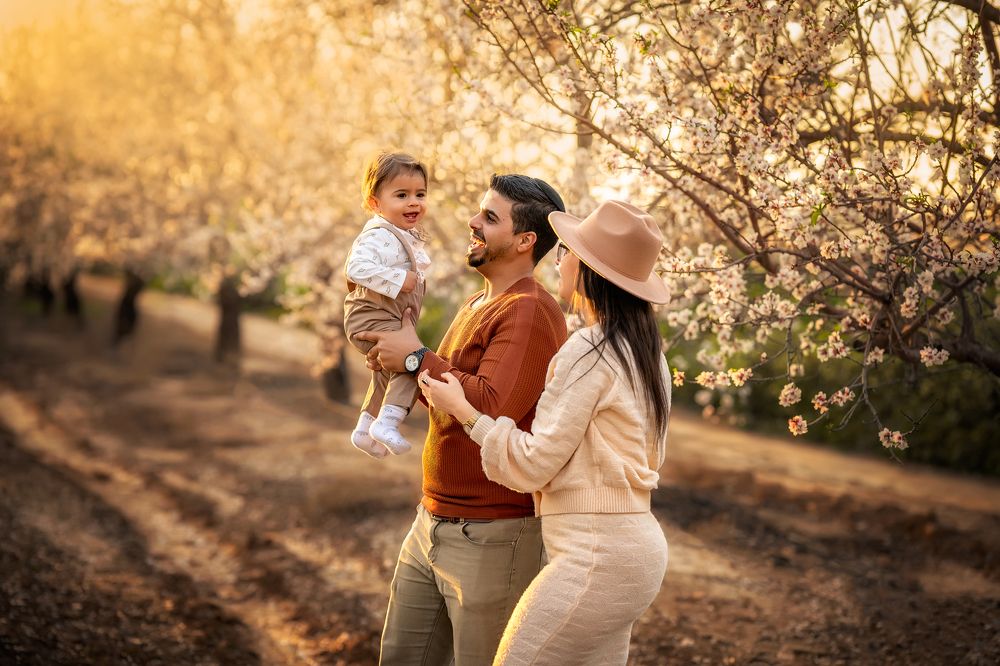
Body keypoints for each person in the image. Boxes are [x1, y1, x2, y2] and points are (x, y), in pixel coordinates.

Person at [419, 200, 672, 665]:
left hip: (595, 555)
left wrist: (465, 412)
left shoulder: (589, 350)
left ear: (591, 272)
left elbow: (534, 463)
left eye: (569, 252)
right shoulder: (648, 355)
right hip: (635, 549)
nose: (560, 258)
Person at [356, 174, 568, 665]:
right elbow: (449, 401)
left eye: (489, 217)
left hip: (492, 534)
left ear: (524, 240)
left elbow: (491, 408)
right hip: (431, 520)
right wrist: (402, 363)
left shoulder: (531, 310)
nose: (472, 222)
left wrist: (416, 359)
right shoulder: (477, 303)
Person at [343, 151, 431, 458]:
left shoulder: (401, 235)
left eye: (420, 194)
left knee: (384, 372)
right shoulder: (379, 235)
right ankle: (388, 424)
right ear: (374, 203)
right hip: (370, 316)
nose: (413, 202)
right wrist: (398, 279)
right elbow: (355, 268)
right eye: (402, 195)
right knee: (409, 363)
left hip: (384, 316)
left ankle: (365, 430)